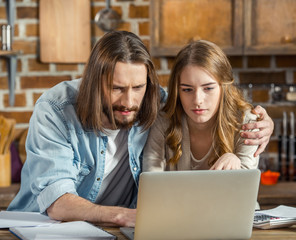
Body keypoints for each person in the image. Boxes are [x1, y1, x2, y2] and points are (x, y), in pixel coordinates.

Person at [8, 31, 273, 227]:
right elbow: (57, 202)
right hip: (41, 227)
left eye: (138, 87)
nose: (129, 102)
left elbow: (196, 99)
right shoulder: (56, 110)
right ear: (92, 83)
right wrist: (120, 215)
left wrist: (265, 124)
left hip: (116, 230)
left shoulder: (157, 102)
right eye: (116, 88)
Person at [143, 40, 261, 172]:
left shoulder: (247, 123)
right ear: (177, 90)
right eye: (187, 90)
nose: (197, 100)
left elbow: (245, 187)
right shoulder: (162, 121)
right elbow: (151, 179)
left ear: (224, 87)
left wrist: (235, 163)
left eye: (208, 88)